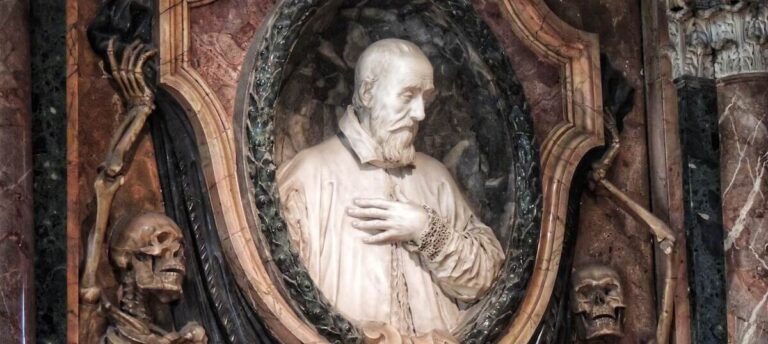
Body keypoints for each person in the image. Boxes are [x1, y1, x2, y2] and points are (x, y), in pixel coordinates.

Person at [277, 38, 504, 336]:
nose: (420, 113)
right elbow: (283, 296)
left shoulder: (435, 178)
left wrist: (427, 230)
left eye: (425, 98)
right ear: (367, 93)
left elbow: (486, 279)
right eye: (408, 95)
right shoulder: (308, 175)